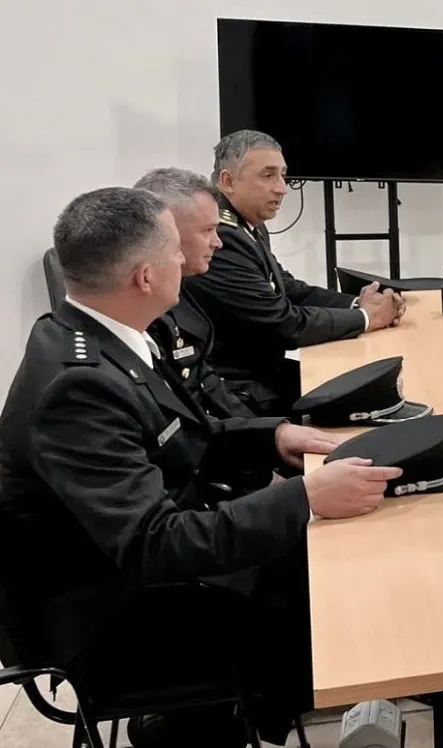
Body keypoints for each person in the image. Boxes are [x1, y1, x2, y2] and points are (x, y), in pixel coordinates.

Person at [0, 187, 403, 747]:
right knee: (331, 578)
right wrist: (305, 497)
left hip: (136, 564)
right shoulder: (78, 386)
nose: (192, 259)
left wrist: (274, 437)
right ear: (145, 276)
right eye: (176, 250)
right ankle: (263, 711)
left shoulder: (113, 333)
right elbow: (154, 544)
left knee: (334, 550)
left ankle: (267, 708)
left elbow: (184, 437)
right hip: (110, 615)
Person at [185, 130, 405, 417]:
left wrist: (357, 303)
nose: (282, 188)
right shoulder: (223, 237)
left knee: (369, 386)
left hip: (263, 371)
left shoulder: (247, 222)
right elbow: (283, 324)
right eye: (268, 175)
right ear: (228, 181)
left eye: (283, 175)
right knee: (363, 401)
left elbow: (287, 287)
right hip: (240, 388)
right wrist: (367, 317)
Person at [133, 167, 257, 420]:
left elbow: (203, 378)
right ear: (169, 233)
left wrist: (272, 432)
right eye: (207, 230)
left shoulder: (183, 283)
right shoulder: (145, 308)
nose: (217, 242)